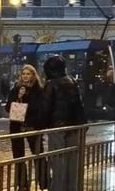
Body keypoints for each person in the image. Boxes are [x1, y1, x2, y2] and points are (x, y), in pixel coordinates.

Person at [42, 55, 86, 191]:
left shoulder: (51, 84)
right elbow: (79, 105)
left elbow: (45, 108)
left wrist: (39, 124)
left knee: (58, 163)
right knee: (73, 163)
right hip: (75, 127)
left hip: (57, 128)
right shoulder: (72, 81)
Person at [5, 65, 47, 191]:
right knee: (19, 156)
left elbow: (39, 108)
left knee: (38, 154)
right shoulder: (16, 89)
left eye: (28, 74)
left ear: (33, 76)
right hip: (17, 126)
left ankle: (44, 182)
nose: (25, 76)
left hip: (32, 125)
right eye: (23, 74)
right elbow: (8, 108)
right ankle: (22, 184)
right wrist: (18, 97)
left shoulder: (38, 90)